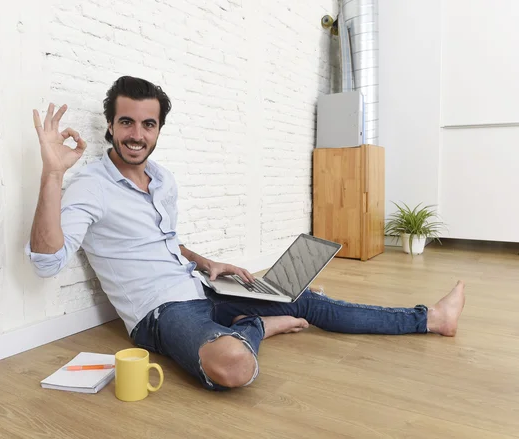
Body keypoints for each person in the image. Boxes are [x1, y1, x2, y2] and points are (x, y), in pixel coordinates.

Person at [25, 76, 466, 391]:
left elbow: (158, 240)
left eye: (148, 124)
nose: (136, 135)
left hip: (199, 283)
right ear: (110, 125)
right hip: (159, 312)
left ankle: (429, 319)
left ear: (159, 129)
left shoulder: (161, 179)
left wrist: (205, 262)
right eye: (127, 123)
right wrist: (52, 173)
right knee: (234, 366)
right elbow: (47, 262)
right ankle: (257, 326)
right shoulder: (89, 186)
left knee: (306, 297)